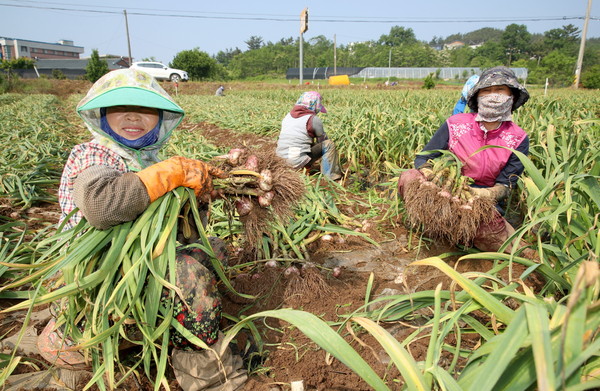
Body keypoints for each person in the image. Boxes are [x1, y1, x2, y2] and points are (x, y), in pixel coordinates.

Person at [37, 69, 247, 390]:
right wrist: (168, 174)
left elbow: (184, 235)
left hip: (143, 267)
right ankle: (212, 379)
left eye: (145, 110)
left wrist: (197, 201)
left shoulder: (151, 160)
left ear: (160, 118)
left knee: (212, 250)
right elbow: (101, 207)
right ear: (103, 116)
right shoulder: (93, 155)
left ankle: (163, 327)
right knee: (188, 275)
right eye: (121, 108)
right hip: (103, 278)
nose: (133, 116)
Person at [398, 66, 535, 257]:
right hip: (445, 188)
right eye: (486, 91)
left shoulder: (518, 138)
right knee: (409, 176)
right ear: (477, 97)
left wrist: (477, 194)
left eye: (500, 90)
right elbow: (424, 157)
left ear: (512, 95)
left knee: (500, 241)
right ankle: (431, 223)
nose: (493, 96)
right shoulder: (455, 124)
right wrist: (433, 176)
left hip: (480, 200)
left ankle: (463, 233)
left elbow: (506, 185)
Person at [276, 91, 342, 181]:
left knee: (305, 143)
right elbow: (322, 141)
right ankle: (331, 176)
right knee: (329, 144)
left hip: (280, 160)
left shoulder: (287, 116)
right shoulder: (313, 119)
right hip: (295, 162)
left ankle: (302, 165)